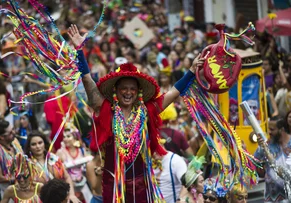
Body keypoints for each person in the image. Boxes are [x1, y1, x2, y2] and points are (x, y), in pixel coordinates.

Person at [68, 24, 205, 202]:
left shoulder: (146, 111)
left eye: (132, 89)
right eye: (123, 88)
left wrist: (192, 71)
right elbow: (86, 79)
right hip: (113, 185)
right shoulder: (105, 110)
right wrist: (79, 50)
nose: (128, 92)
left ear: (138, 92)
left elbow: (173, 92)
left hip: (142, 185)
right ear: (116, 91)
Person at [24, 131, 80, 203]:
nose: (38, 146)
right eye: (33, 144)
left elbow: (67, 177)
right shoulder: (27, 165)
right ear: (29, 147)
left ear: (44, 143)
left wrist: (72, 195)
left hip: (62, 199)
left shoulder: (54, 158)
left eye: (40, 143)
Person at [254, 118, 291, 202]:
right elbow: (256, 164)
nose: (269, 132)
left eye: (272, 129)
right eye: (269, 129)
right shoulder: (267, 145)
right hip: (271, 198)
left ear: (281, 129)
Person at [0, 118, 23, 202]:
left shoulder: (15, 141)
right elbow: (0, 178)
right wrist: (18, 178)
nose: (14, 133)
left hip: (21, 187)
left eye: (13, 129)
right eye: (10, 133)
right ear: (1, 137)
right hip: (6, 192)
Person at [56, 122, 91, 202]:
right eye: (64, 137)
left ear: (75, 137)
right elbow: (57, 172)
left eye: (68, 136)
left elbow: (89, 164)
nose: (65, 139)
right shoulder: (60, 152)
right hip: (69, 189)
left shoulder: (82, 150)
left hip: (83, 186)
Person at [152, 139, 188, 203]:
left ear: (161, 145)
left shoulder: (176, 161)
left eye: (155, 149)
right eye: (151, 151)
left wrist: (180, 200)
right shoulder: (150, 161)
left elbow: (187, 184)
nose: (153, 154)